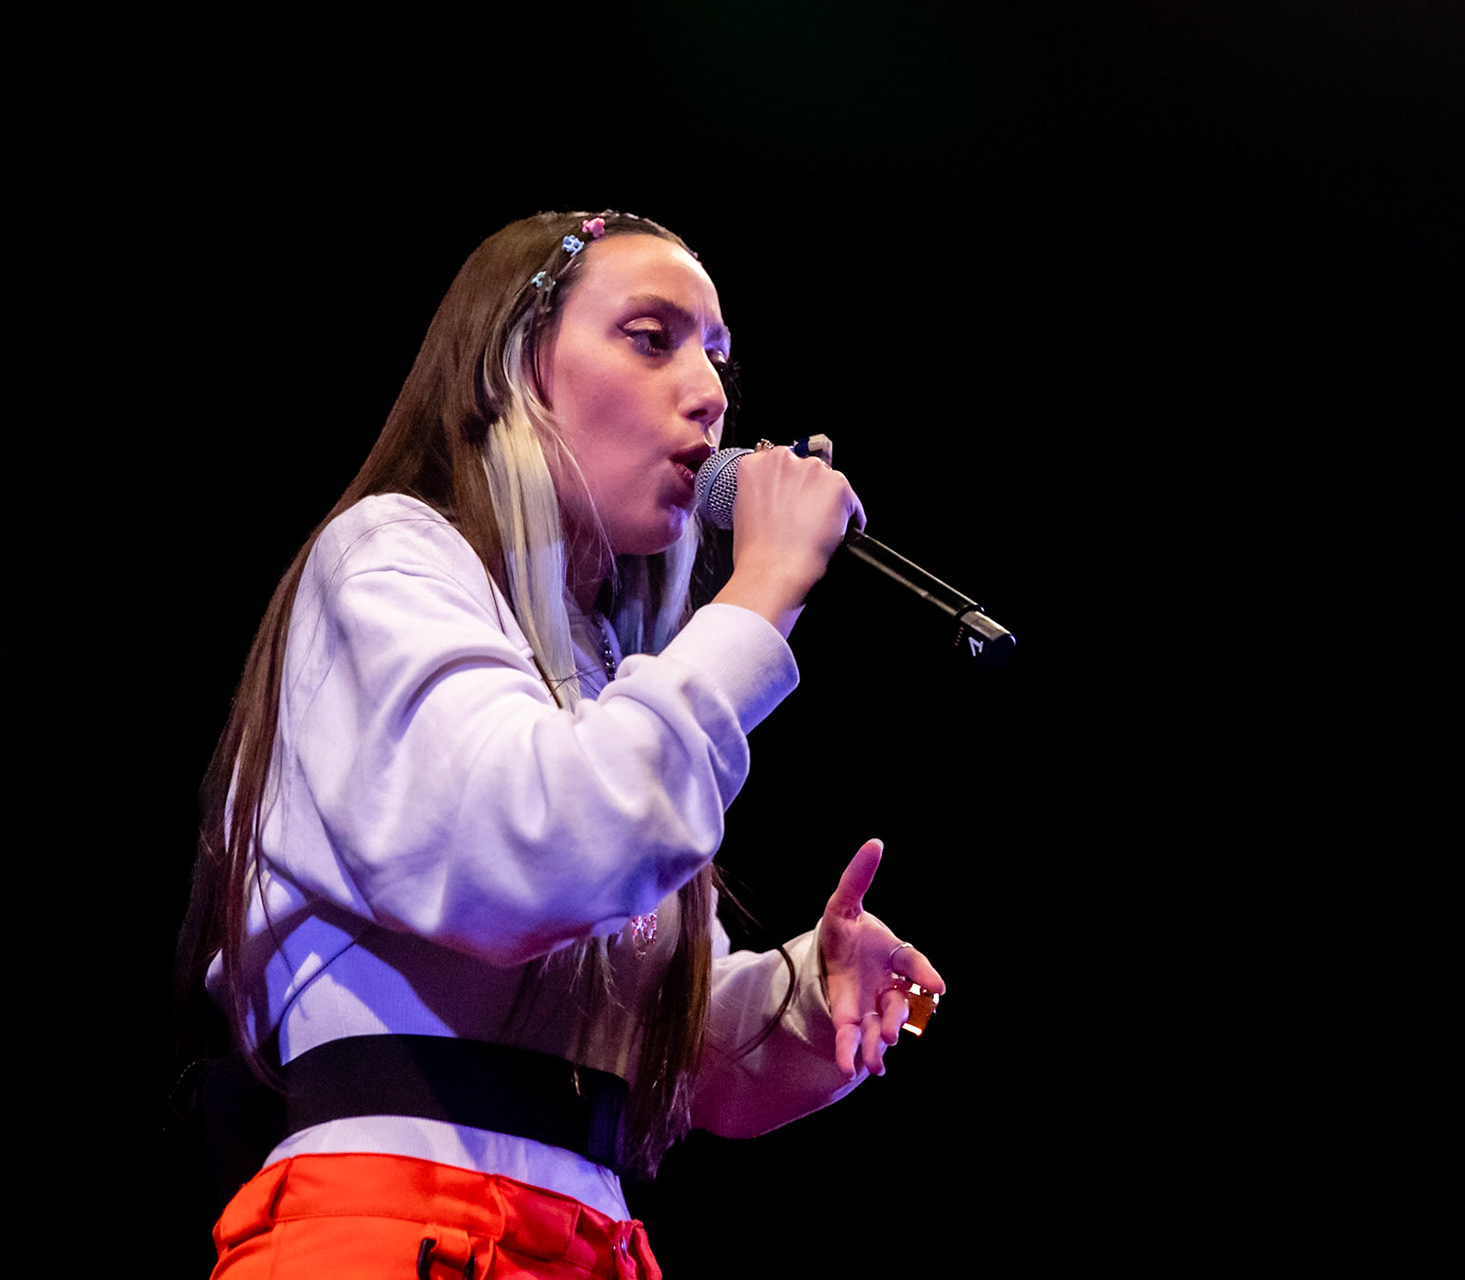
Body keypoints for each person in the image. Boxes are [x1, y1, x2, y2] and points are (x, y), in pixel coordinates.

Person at [174, 209, 945, 1279]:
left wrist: (805, 997)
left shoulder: (598, 671)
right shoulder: (389, 560)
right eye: (650, 335)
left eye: (719, 356)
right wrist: (761, 592)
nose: (712, 391)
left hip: (581, 1239)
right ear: (511, 368)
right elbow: (527, 854)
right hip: (396, 1225)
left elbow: (674, 1058)